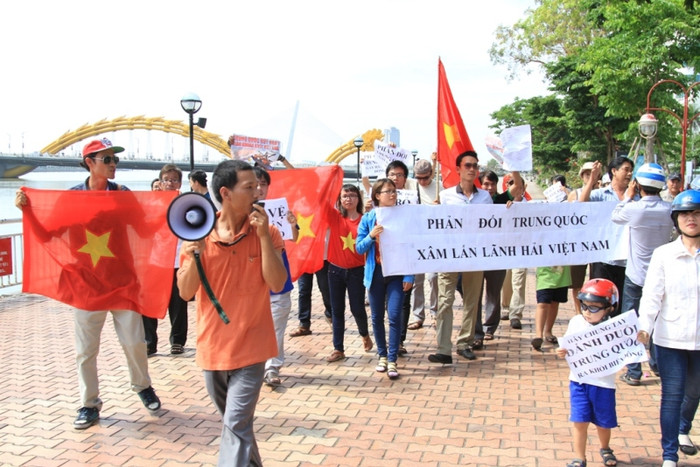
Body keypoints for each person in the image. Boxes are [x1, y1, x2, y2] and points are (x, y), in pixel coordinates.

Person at [15, 138, 161, 430]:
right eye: (107, 159)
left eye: (115, 159)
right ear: (89, 163)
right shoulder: (72, 199)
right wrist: (27, 211)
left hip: (123, 283)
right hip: (87, 286)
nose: (113, 164)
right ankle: (89, 404)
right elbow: (48, 235)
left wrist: (167, 208)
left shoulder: (122, 195)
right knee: (85, 350)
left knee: (135, 342)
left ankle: (142, 386)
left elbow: (145, 230)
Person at [177, 159, 287, 466]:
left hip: (253, 346)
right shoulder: (197, 232)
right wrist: (195, 255)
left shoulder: (269, 232)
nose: (257, 192)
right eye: (249, 187)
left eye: (258, 186)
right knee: (236, 425)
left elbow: (277, 282)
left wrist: (263, 237)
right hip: (213, 347)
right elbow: (185, 291)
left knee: (236, 423)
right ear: (226, 193)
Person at [637, 190, 700, 467]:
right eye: (685, 214)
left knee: (695, 391)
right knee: (672, 396)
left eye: (697, 213)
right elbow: (652, 295)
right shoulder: (664, 254)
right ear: (676, 219)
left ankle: (684, 428)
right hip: (670, 339)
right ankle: (669, 455)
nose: (691, 219)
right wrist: (644, 328)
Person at [428, 150, 493, 364]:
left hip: (475, 255)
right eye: (467, 165)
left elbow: (493, 223)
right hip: (449, 254)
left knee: (471, 300)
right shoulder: (446, 196)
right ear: (458, 169)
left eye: (475, 166)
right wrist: (434, 211)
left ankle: (465, 343)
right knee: (445, 300)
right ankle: (443, 349)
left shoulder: (485, 197)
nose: (472, 169)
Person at [612, 163, 673, 386]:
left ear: (638, 185)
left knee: (631, 321)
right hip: (661, 275)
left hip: (636, 275)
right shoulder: (669, 210)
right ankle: (657, 365)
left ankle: (634, 371)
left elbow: (615, 216)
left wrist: (628, 196)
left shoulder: (634, 208)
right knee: (658, 320)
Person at [556, 279, 620, 467]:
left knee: (604, 423)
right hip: (579, 382)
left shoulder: (615, 327)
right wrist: (562, 351)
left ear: (609, 308)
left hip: (603, 384)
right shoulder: (576, 322)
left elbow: (626, 347)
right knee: (579, 420)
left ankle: (605, 447)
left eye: (594, 307)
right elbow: (567, 344)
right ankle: (580, 457)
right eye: (584, 306)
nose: (587, 311)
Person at [356, 178, 413, 379]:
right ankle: (382, 355)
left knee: (395, 315)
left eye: (394, 191)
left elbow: (410, 246)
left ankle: (392, 359)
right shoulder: (368, 218)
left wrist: (409, 274)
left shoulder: (403, 216)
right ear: (377, 196)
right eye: (388, 191)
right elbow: (359, 247)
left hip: (396, 274)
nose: (392, 194)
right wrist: (371, 236)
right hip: (376, 274)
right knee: (377, 317)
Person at [253, 166, 298, 387]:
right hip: (250, 285)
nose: (259, 188)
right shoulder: (235, 215)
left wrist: (292, 224)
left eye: (263, 184)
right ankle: (253, 366)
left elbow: (294, 237)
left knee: (276, 328)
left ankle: (272, 367)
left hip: (278, 283)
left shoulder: (278, 210)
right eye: (254, 184)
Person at [579, 157, 637, 316]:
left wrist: (631, 197)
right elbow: (581, 204)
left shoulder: (636, 196)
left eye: (631, 171)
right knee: (600, 301)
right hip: (604, 258)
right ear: (614, 171)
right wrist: (592, 180)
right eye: (626, 169)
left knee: (622, 304)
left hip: (628, 259)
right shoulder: (601, 194)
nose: (629, 174)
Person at [143, 164, 189, 356]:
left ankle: (177, 341)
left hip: (178, 260)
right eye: (166, 180)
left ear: (180, 183)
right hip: (155, 260)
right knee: (148, 303)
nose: (170, 183)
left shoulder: (186, 203)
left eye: (174, 180)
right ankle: (149, 342)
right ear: (160, 183)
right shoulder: (151, 205)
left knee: (178, 304)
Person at [325, 184, 373, 362]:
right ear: (339, 199)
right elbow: (320, 199)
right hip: (335, 270)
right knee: (337, 310)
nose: (348, 199)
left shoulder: (365, 219)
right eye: (345, 196)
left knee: (357, 308)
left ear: (358, 199)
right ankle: (338, 349)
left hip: (357, 271)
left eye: (352, 195)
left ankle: (364, 334)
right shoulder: (334, 216)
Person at [406, 158, 439, 331]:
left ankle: (435, 313)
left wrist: (440, 206)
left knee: (433, 278)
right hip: (416, 239)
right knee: (417, 280)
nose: (422, 181)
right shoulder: (411, 186)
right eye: (418, 178)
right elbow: (392, 178)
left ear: (431, 174)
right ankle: (418, 315)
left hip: (434, 239)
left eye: (425, 178)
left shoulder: (440, 188)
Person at [567, 161, 599, 315]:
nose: (589, 177)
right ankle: (579, 312)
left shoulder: (602, 193)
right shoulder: (575, 194)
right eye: (587, 174)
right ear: (581, 176)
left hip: (598, 243)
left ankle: (595, 310)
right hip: (579, 243)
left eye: (592, 174)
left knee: (596, 280)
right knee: (577, 282)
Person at [531, 265, 571, 350]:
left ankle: (548, 331)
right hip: (544, 274)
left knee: (555, 303)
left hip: (562, 275)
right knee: (542, 304)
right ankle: (538, 335)